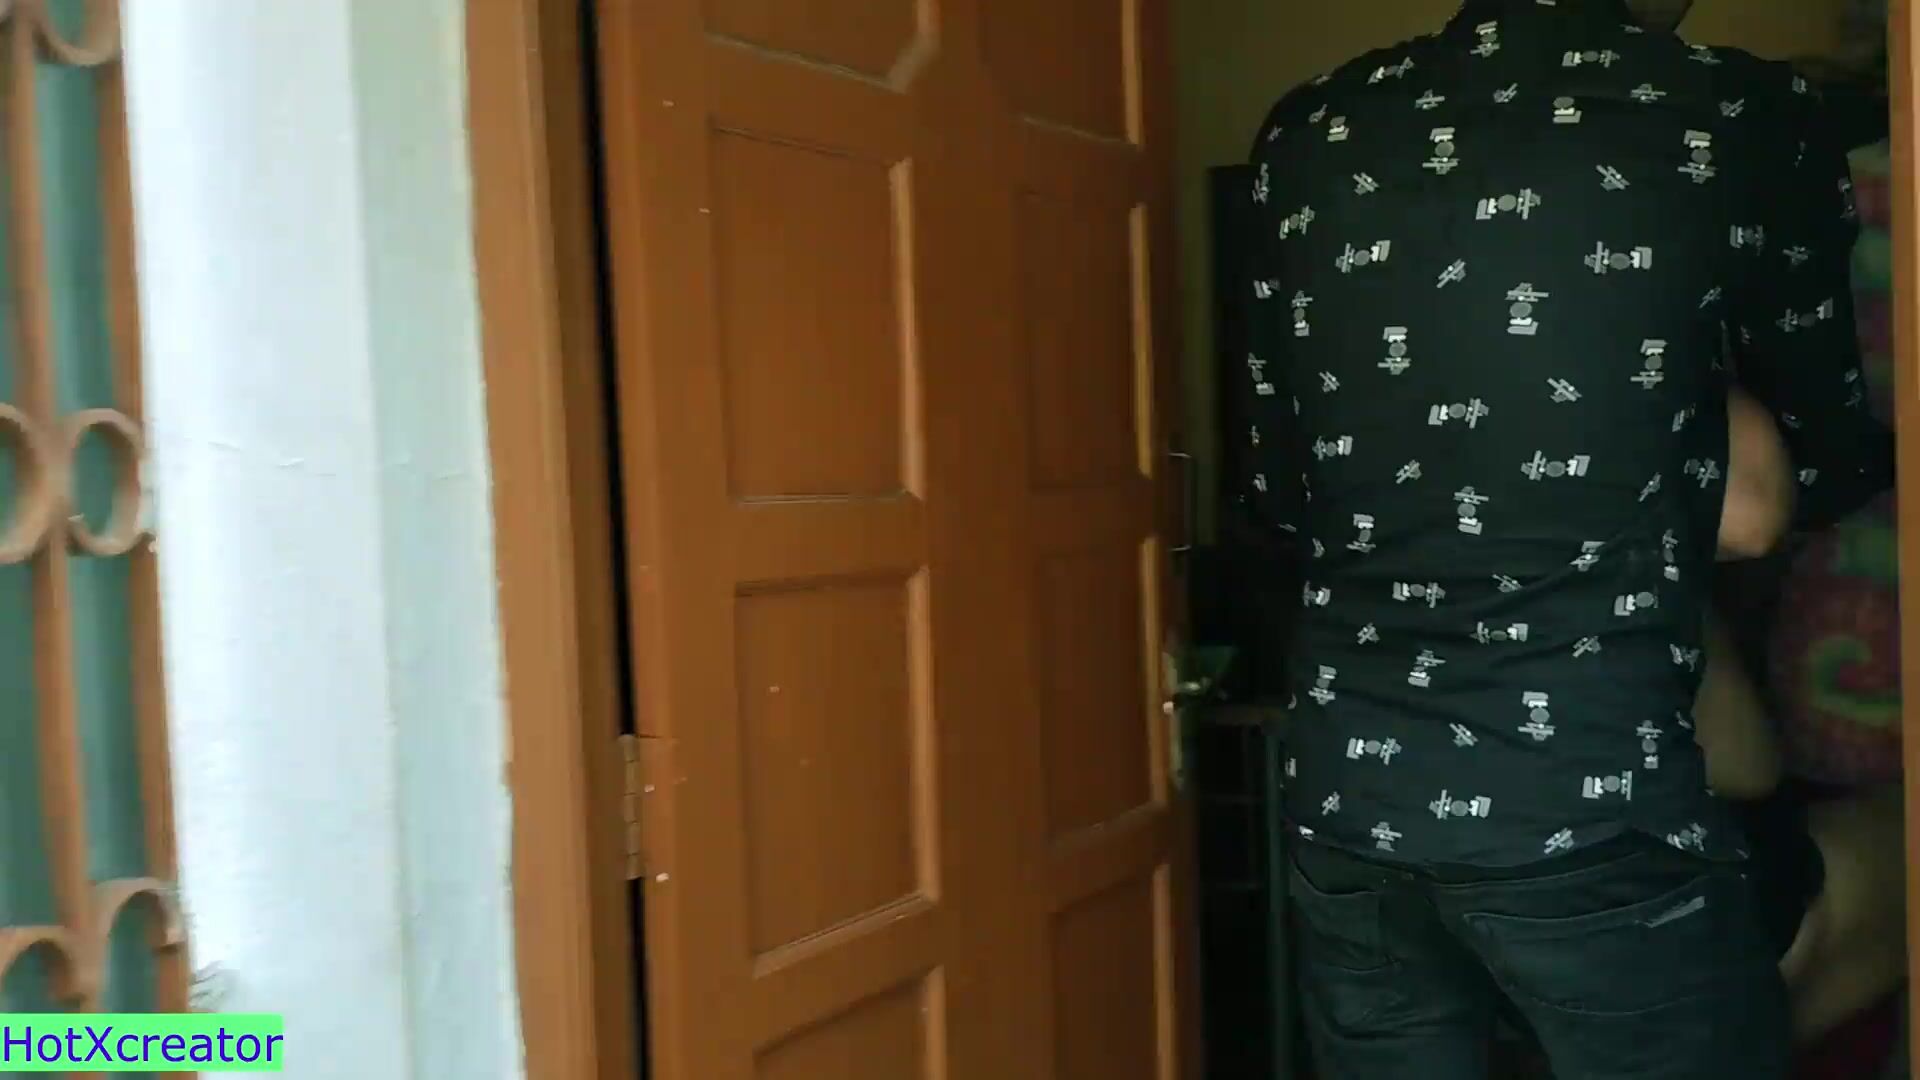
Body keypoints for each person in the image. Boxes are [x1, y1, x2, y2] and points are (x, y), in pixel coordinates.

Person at [1236, 1, 1896, 1077]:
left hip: (1350, 800)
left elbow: (1277, 484)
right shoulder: (1738, 111)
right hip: (1589, 805)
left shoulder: (1309, 129)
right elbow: (1818, 467)